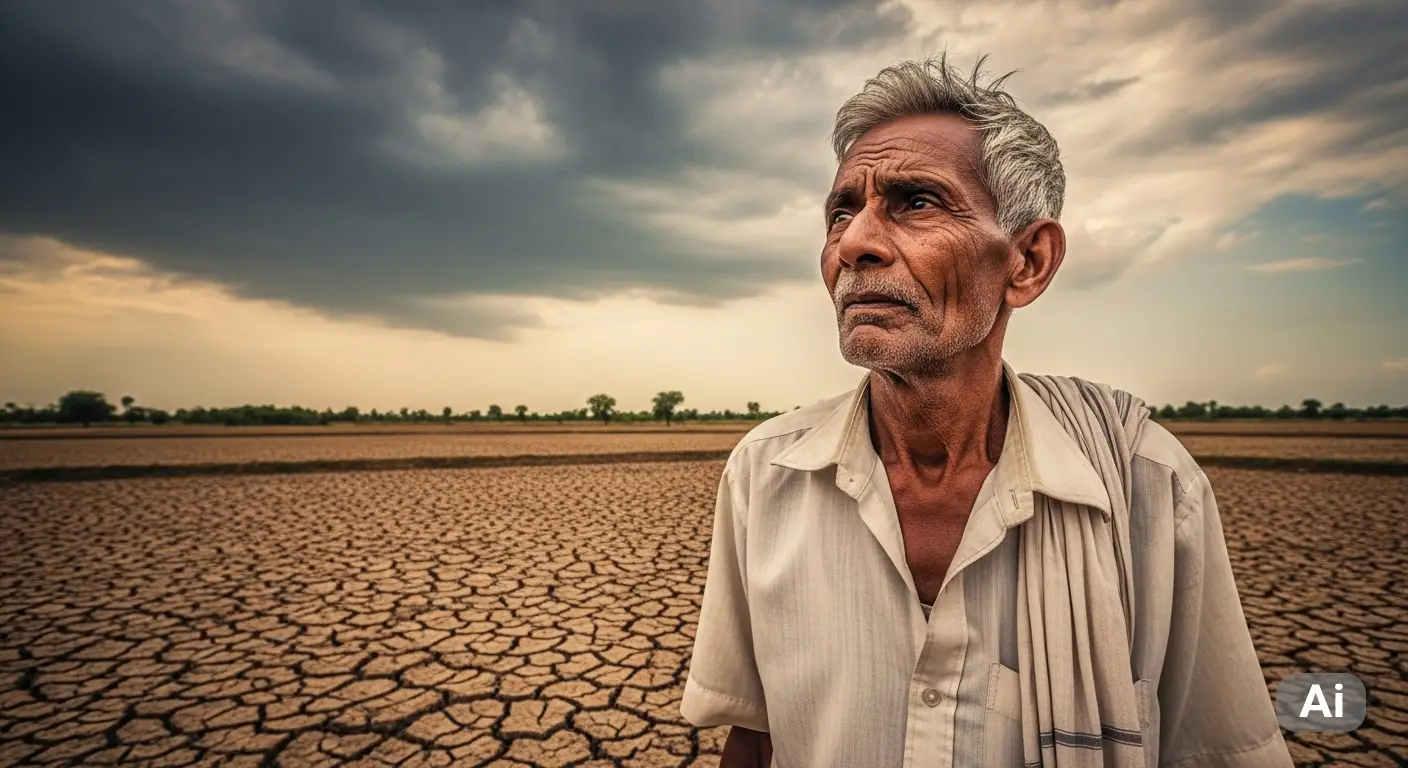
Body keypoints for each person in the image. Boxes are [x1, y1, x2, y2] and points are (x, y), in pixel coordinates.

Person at [680, 55, 1292, 768]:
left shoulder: (1148, 490)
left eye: (916, 202)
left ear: (1027, 261)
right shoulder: (766, 474)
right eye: (842, 211)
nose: (854, 244)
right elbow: (754, 742)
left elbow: (1221, 752)